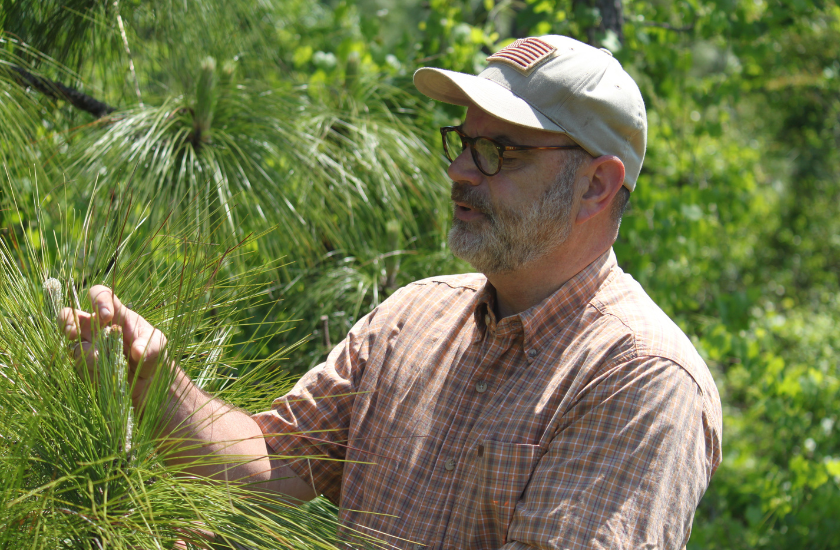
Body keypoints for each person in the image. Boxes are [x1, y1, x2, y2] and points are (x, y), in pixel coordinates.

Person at [62, 35, 722, 550]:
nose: (461, 171)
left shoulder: (640, 378)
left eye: (501, 152)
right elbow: (272, 465)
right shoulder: (415, 315)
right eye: (462, 144)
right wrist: (156, 385)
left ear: (598, 186)